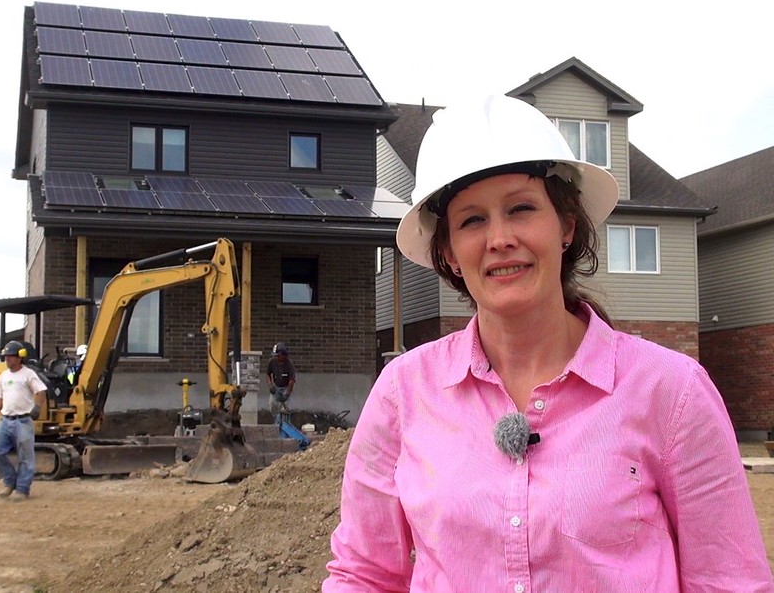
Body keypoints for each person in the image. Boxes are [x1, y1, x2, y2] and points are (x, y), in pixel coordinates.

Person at [324, 94, 773, 591]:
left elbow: (729, 580)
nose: (499, 238)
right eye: (472, 220)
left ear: (566, 225)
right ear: (448, 252)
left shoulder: (672, 392)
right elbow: (363, 573)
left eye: (521, 208)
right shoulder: (403, 393)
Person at [0, 340, 47, 501]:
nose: (6, 359)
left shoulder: (28, 374)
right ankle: (10, 481)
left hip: (23, 421)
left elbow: (41, 391)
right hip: (5, 420)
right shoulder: (3, 376)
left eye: (9, 357)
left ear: (19, 357)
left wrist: (37, 407)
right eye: (5, 357)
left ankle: (22, 489)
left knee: (26, 457)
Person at [266, 342, 296, 420]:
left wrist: (287, 394)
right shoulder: (272, 362)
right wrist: (270, 384)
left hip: (286, 387)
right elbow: (268, 374)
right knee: (272, 405)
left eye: (278, 356)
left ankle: (285, 423)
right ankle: (276, 420)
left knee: (285, 408)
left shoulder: (289, 364)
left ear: (283, 355)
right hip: (276, 386)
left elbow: (292, 380)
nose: (276, 357)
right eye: (275, 356)